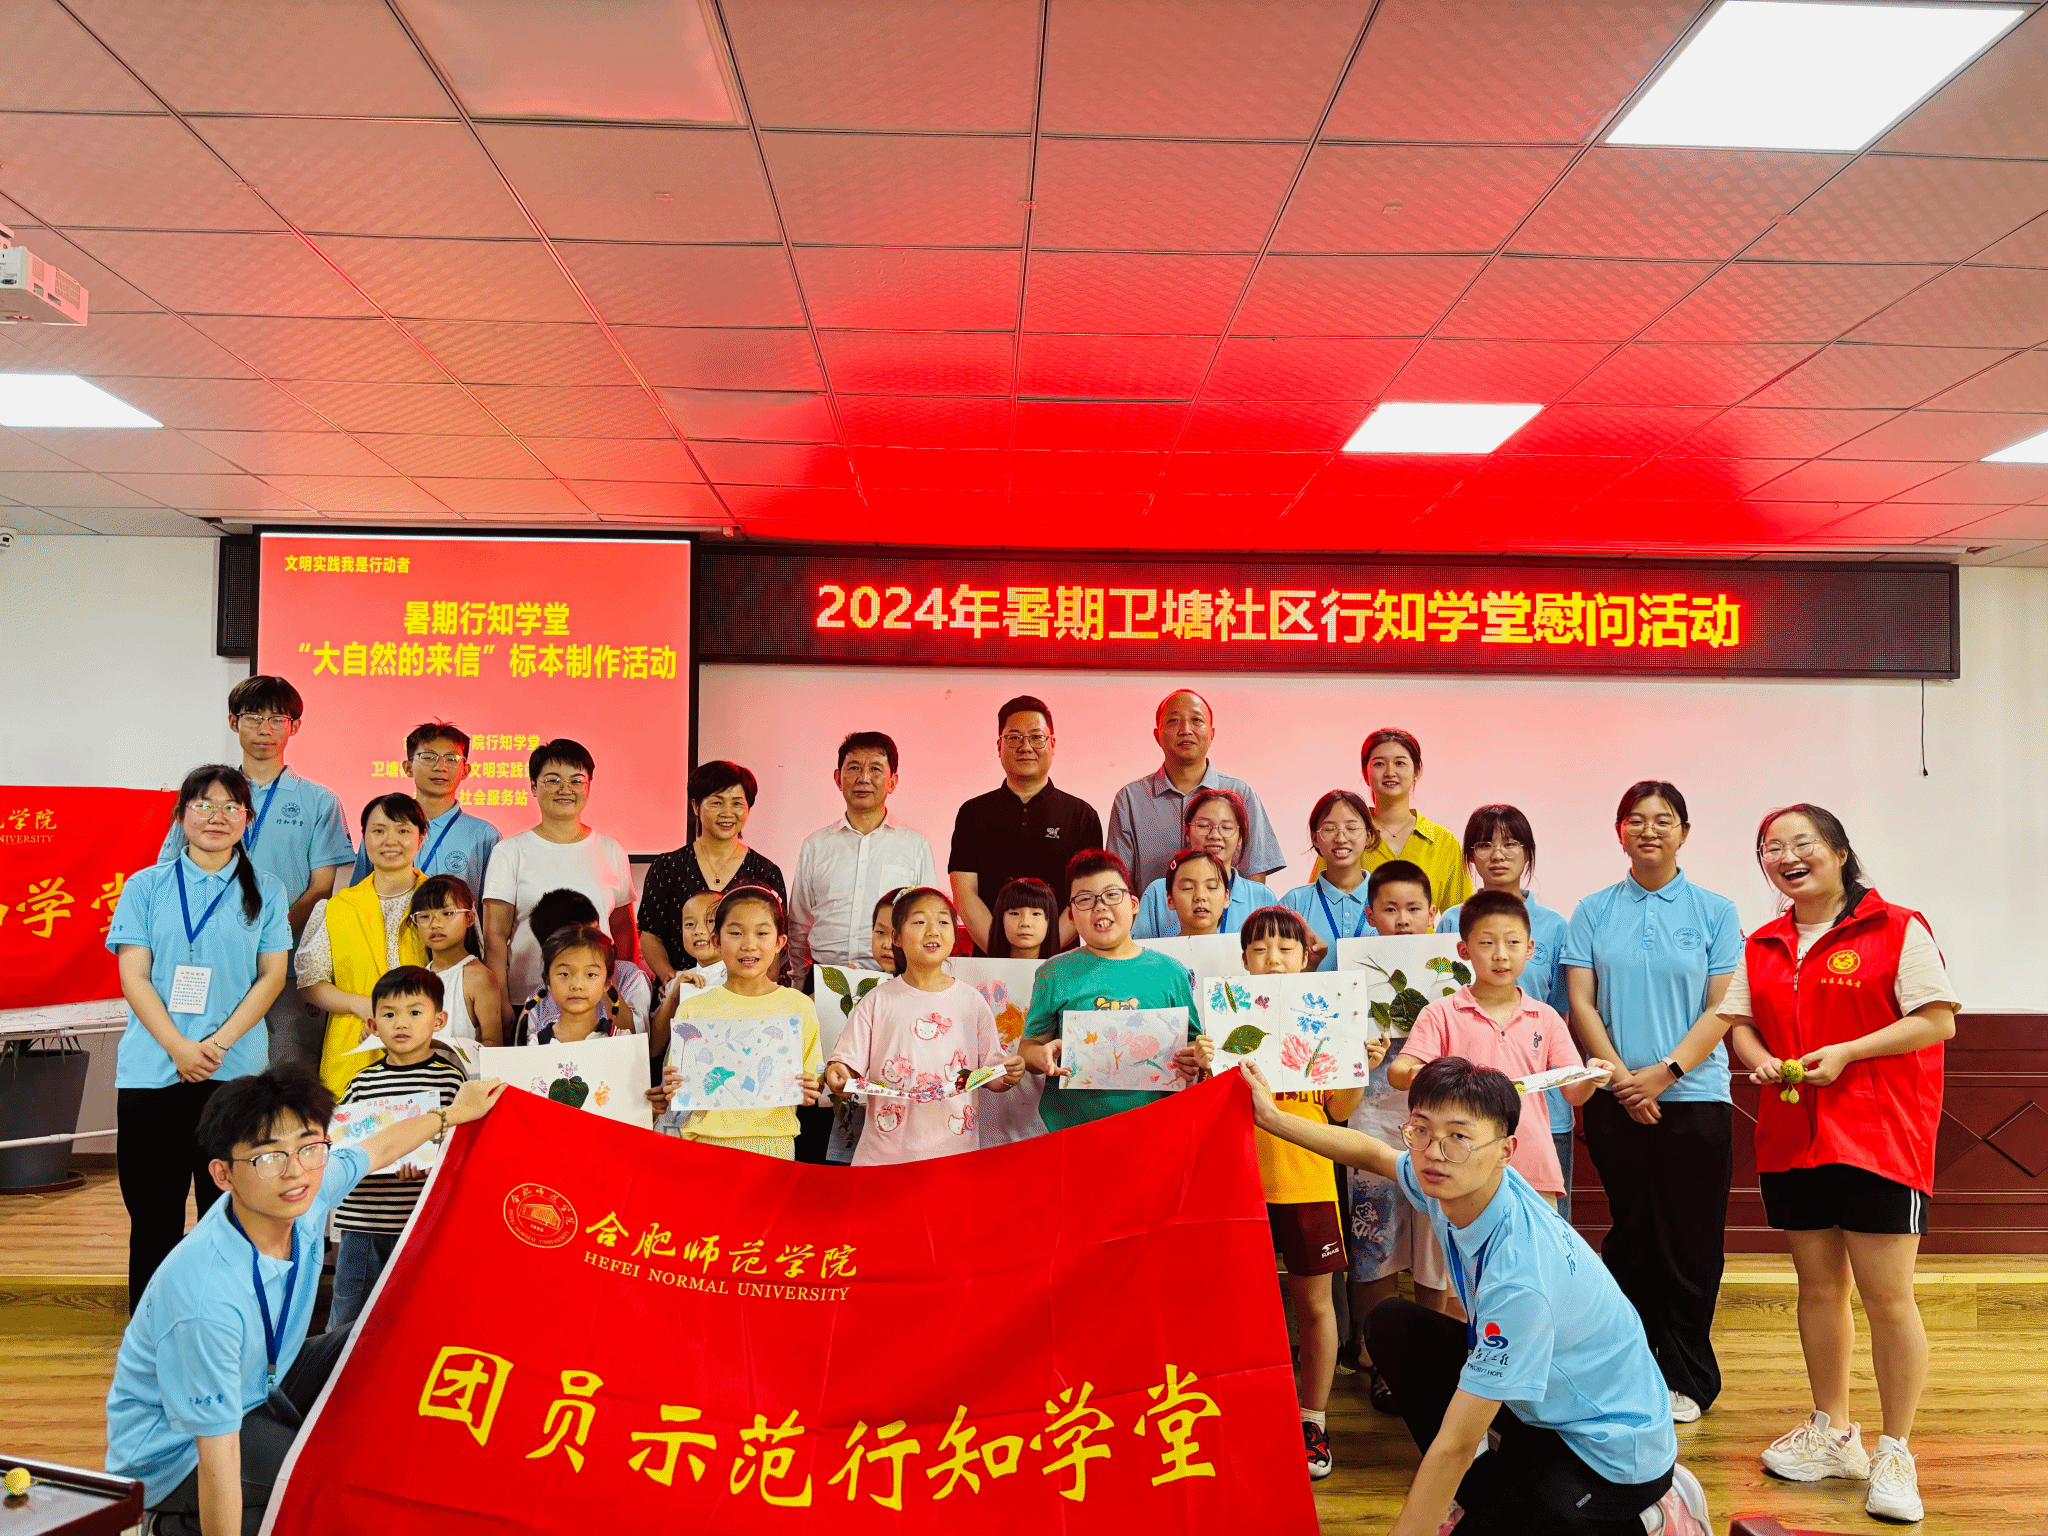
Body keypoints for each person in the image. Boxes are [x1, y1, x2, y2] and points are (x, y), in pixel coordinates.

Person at [1243, 1056, 1712, 1536]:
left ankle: (1657, 1515)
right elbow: (1373, 1154)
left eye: (1458, 1137)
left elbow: (1456, 1444)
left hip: (1612, 1453)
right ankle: (1496, 1495)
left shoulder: (1520, 1278)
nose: (1434, 1153)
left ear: (1506, 1150)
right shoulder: (1462, 1183)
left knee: (1493, 1504)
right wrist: (1273, 1119)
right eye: (1421, 1130)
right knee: (1392, 1324)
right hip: (1547, 1407)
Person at [106, 1066, 505, 1536]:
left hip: (264, 1381)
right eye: (268, 1156)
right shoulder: (204, 1297)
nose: (294, 1170)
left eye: (309, 1146)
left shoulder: (304, 1194)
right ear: (222, 1174)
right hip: (176, 1453)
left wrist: (451, 1114)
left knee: (392, 1335)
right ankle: (167, 1526)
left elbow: (377, 1148)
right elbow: (218, 1455)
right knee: (333, 1482)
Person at [1719, 805, 1958, 1525]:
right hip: (1793, 1136)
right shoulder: (1762, 943)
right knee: (1819, 1289)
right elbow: (1738, 1023)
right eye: (1772, 848)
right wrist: (1761, 1061)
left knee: (1888, 1297)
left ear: (1840, 852)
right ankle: (1834, 1431)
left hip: (1880, 1135)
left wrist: (1850, 1052)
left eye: (1804, 843)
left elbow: (1938, 1018)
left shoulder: (1895, 927)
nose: (1787, 856)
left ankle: (1895, 1451)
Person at [1563, 780, 1742, 1426]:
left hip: (1695, 1100)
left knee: (1692, 1243)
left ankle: (1688, 1376)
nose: (1649, 831)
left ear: (1684, 833)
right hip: (1616, 1102)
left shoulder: (1715, 911)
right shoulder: (1593, 911)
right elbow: (1581, 1002)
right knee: (1632, 1241)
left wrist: (1663, 1075)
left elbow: (1722, 1007)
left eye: (1664, 820)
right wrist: (1621, 1081)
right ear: (1619, 832)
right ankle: (1632, 1370)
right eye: (1636, 820)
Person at [110, 766, 293, 1309]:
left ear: (247, 819)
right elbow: (134, 976)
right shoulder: (145, 886)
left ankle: (228, 1327)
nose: (217, 816)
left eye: (231, 806)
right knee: (153, 1217)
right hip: (153, 1072)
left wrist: (217, 1045)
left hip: (234, 1075)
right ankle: (153, 1334)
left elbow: (272, 977)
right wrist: (178, 1047)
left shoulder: (268, 890)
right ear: (181, 815)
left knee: (233, 1214)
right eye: (204, 804)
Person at [1238, 904, 1376, 1481]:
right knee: (1241, 1309)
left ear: (1303, 959)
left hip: (1307, 1180)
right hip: (1238, 1187)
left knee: (1316, 1305)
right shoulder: (1223, 1017)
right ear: (1243, 960)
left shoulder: (1326, 1017)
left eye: (1285, 949)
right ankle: (1246, 1413)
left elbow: (1338, 1111)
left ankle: (1311, 1419)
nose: (1273, 959)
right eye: (1260, 949)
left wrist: (1360, 1064)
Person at [159, 677, 355, 1072]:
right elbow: (171, 875)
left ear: (294, 726)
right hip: (209, 961)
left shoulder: (319, 801)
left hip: (286, 963)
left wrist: (264, 938)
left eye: (277, 719)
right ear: (234, 722)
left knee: (287, 1073)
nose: (265, 729)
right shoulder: (201, 796)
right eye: (253, 717)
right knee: (207, 1070)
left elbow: (320, 888)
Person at [1396, 890, 1614, 1209]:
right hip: (1461, 1167)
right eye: (1487, 943)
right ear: (1464, 950)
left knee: (1536, 1243)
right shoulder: (1441, 1013)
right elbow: (1399, 1071)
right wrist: (1418, 1073)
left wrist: (1591, 1078)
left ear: (1529, 949)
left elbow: (1574, 1094)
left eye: (1512, 943)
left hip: (1534, 1169)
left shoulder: (1546, 1017)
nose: (1501, 955)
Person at [1338, 858, 1455, 1409]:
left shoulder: (1454, 974)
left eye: (1413, 909)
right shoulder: (1349, 974)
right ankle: (1382, 1358)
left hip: (1440, 1125)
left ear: (1433, 914)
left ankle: (1429, 1357)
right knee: (1374, 1242)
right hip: (1371, 1120)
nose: (1403, 920)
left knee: (1437, 1243)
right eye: (1390, 909)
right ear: (1370, 914)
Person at [1436, 805, 1578, 1219]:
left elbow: (1560, 1014)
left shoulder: (1554, 926)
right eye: (1484, 845)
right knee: (1470, 1222)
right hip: (1468, 1110)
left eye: (1510, 843)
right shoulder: (1450, 922)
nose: (1497, 854)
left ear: (1528, 852)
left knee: (1546, 1224)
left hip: (1542, 1111)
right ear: (1470, 856)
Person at [822, 887, 1025, 1164]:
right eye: (919, 921)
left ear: (955, 934)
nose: (933, 931)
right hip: (883, 1157)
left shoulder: (972, 1002)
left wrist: (1009, 1074)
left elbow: (993, 1074)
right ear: (896, 937)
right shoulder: (877, 1000)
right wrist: (838, 1073)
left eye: (943, 921)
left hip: (953, 1154)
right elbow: (846, 1064)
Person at [1018, 850, 1212, 1130]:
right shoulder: (1054, 973)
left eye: (1111, 895)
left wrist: (1196, 1056)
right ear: (1071, 914)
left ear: (1133, 904)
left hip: (1158, 1130)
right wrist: (1041, 1056)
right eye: (1085, 899)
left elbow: (1192, 1043)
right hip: (1072, 1132)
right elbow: (1028, 1047)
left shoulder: (1172, 973)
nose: (1100, 907)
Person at [326, 966, 468, 1329]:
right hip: (362, 1221)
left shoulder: (450, 1080)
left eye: (414, 1012)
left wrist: (431, 1166)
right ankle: (337, 1369)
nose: (401, 1023)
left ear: (439, 1020)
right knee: (348, 1322)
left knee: (414, 1320)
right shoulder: (361, 1082)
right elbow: (342, 1144)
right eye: (389, 1015)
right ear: (373, 1025)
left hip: (421, 1223)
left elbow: (460, 1147)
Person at [655, 887, 823, 1159]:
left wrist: (813, 1086)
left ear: (780, 942)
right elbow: (676, 1079)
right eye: (735, 933)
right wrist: (672, 1085)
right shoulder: (693, 1010)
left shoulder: (798, 1006)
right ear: (716, 940)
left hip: (774, 1148)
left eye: (762, 933)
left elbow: (815, 1072)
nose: (748, 944)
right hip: (704, 1148)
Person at [482, 738, 636, 1020]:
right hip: (527, 1001)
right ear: (533, 786)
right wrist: (499, 1002)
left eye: (576, 781)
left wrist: (621, 993)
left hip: (597, 1000)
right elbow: (495, 938)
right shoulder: (509, 852)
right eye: (553, 780)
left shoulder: (610, 849)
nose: (565, 789)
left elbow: (623, 930)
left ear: (588, 786)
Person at [949, 695, 1103, 953]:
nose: (1025, 746)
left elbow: (1086, 895)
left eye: (1036, 737)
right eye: (1014, 737)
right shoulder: (972, 813)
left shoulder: (1081, 815)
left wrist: (1044, 952)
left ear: (1052, 744)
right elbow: (965, 895)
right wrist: (1000, 952)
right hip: (989, 960)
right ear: (999, 746)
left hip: (1061, 960)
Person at [296, 794, 427, 1096]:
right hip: (353, 1050)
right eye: (378, 830)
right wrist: (361, 1005)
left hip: (425, 1049)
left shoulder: (443, 904)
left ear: (421, 838)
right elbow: (311, 983)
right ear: (364, 838)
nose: (390, 840)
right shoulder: (336, 908)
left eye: (403, 830)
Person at [786, 731, 939, 978]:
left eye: (875, 769)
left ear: (892, 781)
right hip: (823, 976)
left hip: (892, 977)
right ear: (838, 778)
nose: (863, 778)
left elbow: (928, 920)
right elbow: (798, 924)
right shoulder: (815, 845)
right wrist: (801, 981)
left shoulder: (915, 845)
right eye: (854, 768)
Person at [1105, 689, 1286, 892]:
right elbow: (1118, 881)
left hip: (1227, 913)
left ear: (1211, 734)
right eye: (1173, 721)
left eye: (1196, 720)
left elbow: (1255, 876)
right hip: (1153, 912)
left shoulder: (1241, 794)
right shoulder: (1130, 799)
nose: (1185, 730)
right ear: (1157, 735)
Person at [638, 760, 785, 988]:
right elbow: (650, 934)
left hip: (744, 995)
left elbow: (773, 945)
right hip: (681, 993)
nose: (727, 812)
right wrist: (672, 980)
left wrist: (762, 992)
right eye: (716, 802)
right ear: (696, 806)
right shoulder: (667, 866)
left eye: (737, 803)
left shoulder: (765, 872)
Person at [343, 721, 499, 893]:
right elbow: (356, 896)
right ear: (408, 767)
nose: (440, 767)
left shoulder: (483, 835)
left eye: (451, 759)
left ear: (465, 771)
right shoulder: (381, 827)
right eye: (428, 757)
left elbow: (492, 905)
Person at [508, 888, 651, 1044]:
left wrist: (605, 974)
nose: (577, 985)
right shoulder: (537, 1003)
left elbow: (638, 1041)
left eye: (594, 933)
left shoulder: (629, 976)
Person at [1133, 789, 1280, 938]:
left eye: (1226, 827)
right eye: (1203, 825)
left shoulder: (1262, 897)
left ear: (1240, 838)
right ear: (1187, 832)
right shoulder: (1157, 893)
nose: (1215, 835)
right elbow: (1138, 949)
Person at [1357, 727, 1472, 913]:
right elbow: (1318, 902)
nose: (1390, 772)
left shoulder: (1443, 842)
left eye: (1400, 763)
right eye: (1379, 764)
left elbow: (1462, 917)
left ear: (1417, 772)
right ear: (1365, 774)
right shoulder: (1347, 837)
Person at [1283, 789, 1380, 971]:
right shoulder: (1294, 903)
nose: (1341, 838)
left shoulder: (1387, 898)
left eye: (1352, 828)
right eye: (1329, 829)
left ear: (1368, 836)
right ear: (1315, 838)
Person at [409, 875, 502, 1047]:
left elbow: (493, 1044)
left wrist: (439, 1047)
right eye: (424, 916)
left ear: (470, 918)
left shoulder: (479, 978)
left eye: (447, 913)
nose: (435, 924)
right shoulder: (416, 980)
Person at [531, 924, 627, 1044]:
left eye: (590, 974)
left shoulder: (622, 1041)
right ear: (548, 981)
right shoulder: (535, 1046)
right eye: (565, 974)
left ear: (607, 983)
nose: (577, 985)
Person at [984, 876, 1060, 959]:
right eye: (1015, 913)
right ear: (1001, 919)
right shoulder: (982, 967)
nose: (1025, 923)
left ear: (1049, 921)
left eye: (1036, 914)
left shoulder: (1062, 967)